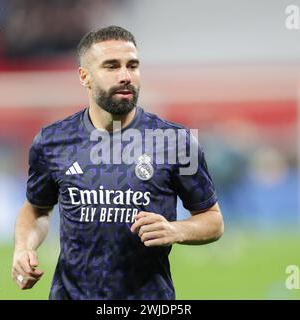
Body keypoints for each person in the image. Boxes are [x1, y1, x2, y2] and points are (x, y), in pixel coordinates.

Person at [11, 25, 224, 300]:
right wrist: (23, 248)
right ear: (84, 76)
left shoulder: (174, 141)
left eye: (132, 66)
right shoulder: (52, 141)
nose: (125, 76)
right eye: (111, 66)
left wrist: (175, 229)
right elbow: (37, 210)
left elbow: (213, 220)